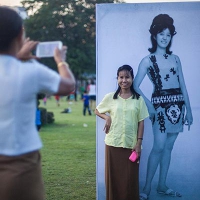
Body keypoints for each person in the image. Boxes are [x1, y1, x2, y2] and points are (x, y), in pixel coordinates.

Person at [0, 6, 75, 200]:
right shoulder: (30, 71)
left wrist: (16, 57)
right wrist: (61, 61)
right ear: (20, 34)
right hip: (21, 165)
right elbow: (69, 86)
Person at [133, 14, 193, 200]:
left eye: (168, 34)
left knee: (168, 147)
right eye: (161, 33)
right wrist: (149, 105)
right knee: (158, 147)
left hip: (178, 106)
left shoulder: (175, 59)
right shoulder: (147, 60)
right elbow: (135, 85)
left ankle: (162, 184)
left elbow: (183, 85)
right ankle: (147, 187)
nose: (165, 37)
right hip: (159, 106)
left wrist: (189, 110)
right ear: (154, 35)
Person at [95, 65, 149, 200]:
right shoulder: (110, 97)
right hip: (113, 144)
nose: (124, 80)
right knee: (113, 179)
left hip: (132, 146)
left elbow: (141, 122)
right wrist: (107, 117)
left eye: (127, 77)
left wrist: (139, 143)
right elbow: (97, 110)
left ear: (132, 79)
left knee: (130, 180)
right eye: (121, 77)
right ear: (117, 78)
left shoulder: (139, 100)